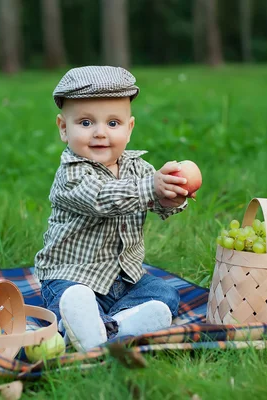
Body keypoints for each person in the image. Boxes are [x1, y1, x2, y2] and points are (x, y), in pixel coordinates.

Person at [34, 65, 194, 352]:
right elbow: (101, 198)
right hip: (71, 276)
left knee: (165, 294)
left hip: (123, 280)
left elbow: (155, 201)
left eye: (112, 123)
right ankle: (94, 323)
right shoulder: (71, 174)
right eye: (85, 123)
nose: (99, 133)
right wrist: (151, 187)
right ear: (63, 128)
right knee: (71, 301)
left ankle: (111, 325)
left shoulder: (138, 168)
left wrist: (172, 196)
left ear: (129, 128)